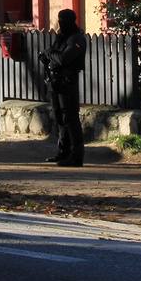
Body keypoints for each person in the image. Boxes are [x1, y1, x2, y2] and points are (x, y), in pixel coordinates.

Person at [40, 9, 86, 166]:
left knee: (70, 119)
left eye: (63, 21)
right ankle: (63, 152)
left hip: (68, 82)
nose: (61, 24)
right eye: (59, 20)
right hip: (55, 82)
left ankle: (76, 156)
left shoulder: (77, 39)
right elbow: (54, 56)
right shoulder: (62, 38)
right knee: (59, 118)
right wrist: (47, 56)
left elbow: (63, 58)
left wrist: (49, 53)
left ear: (70, 21)